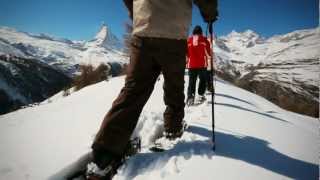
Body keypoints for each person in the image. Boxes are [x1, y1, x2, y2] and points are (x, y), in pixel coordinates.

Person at [86, 0, 218, 179]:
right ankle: (173, 128)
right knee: (174, 86)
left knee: (133, 91)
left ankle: (104, 155)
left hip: (144, 31)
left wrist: (138, 13)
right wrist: (209, 14)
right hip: (174, 33)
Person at [186, 26, 212, 106]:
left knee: (192, 81)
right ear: (201, 32)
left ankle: (190, 97)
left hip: (192, 65)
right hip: (202, 65)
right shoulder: (204, 40)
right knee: (203, 80)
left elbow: (187, 54)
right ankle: (201, 95)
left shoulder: (188, 40)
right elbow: (208, 54)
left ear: (193, 32)